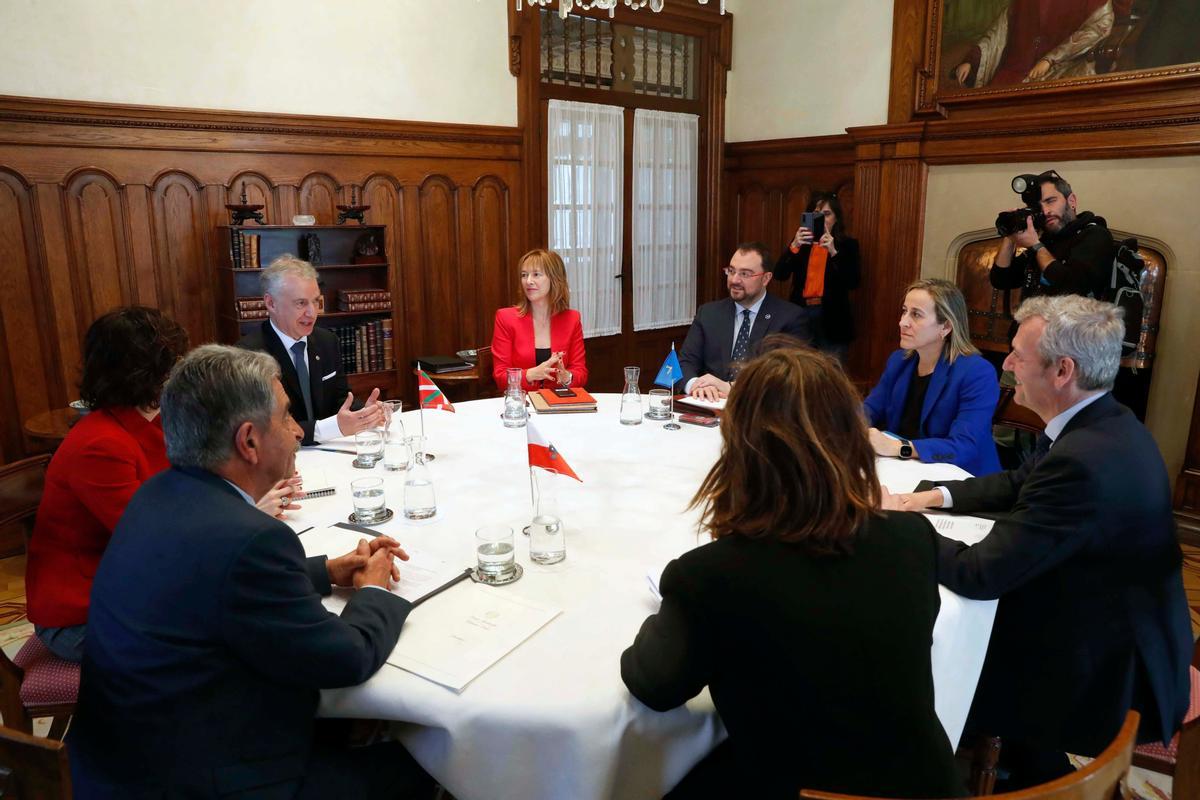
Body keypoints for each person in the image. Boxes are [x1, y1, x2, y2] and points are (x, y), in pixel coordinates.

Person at [69, 345, 431, 798]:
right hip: (202, 781)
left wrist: (325, 570)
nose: (299, 431)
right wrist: (377, 591)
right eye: (285, 417)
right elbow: (346, 658)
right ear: (249, 441)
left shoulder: (159, 493)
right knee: (424, 764)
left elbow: (212, 580)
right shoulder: (251, 539)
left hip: (118, 764)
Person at [621, 340, 964, 800]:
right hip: (926, 787)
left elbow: (652, 684)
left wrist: (669, 608)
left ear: (740, 447)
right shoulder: (911, 538)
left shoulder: (709, 577)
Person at [884, 296, 1191, 788]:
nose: (1005, 364)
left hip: (1109, 672)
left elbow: (981, 574)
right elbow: (1017, 482)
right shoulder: (1103, 421)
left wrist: (890, 529)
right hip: (1117, 627)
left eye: (1018, 355)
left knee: (927, 647)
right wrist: (923, 499)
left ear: (1062, 370)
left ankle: (988, 771)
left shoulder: (1083, 460)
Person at [24, 307, 189, 663]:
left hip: (123, 587)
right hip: (79, 617)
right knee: (213, 645)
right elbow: (155, 539)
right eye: (174, 362)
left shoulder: (148, 421)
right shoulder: (101, 445)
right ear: (150, 372)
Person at [238, 255, 384, 445]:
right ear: (271, 303)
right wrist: (330, 429)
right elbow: (265, 429)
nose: (312, 313)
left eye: (315, 301)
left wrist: (365, 413)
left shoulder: (327, 341)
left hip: (328, 454)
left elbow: (339, 400)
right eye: (301, 303)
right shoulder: (247, 355)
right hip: (282, 461)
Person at [863, 278, 1002, 476]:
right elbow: (870, 409)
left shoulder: (977, 372)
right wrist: (847, 425)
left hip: (961, 478)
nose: (902, 322)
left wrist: (898, 447)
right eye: (904, 311)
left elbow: (964, 446)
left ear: (945, 327)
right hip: (906, 469)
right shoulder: (899, 361)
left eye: (916, 315)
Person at [677, 242, 808, 401]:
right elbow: (685, 363)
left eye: (745, 274)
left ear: (766, 278)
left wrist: (732, 388)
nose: (735, 280)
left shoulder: (790, 318)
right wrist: (696, 385)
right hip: (709, 406)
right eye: (731, 271)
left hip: (759, 412)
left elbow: (789, 377)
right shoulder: (709, 313)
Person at [990, 170, 1114, 312]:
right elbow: (1000, 280)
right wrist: (1010, 234)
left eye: (1050, 201)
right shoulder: (1046, 240)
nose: (1045, 211)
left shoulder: (1094, 235)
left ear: (1071, 201)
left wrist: (1036, 246)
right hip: (1030, 328)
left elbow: (1073, 289)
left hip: (1071, 331)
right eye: (1039, 206)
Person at [772, 192, 861, 360]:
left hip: (832, 317)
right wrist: (794, 246)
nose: (821, 219)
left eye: (826, 214)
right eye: (815, 214)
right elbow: (779, 274)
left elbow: (853, 282)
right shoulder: (801, 243)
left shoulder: (847, 245)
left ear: (836, 218)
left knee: (831, 371)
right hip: (801, 312)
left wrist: (834, 252)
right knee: (799, 368)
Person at [954, 0, 1114, 88]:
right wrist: (972, 60)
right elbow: (999, 31)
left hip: (1059, 72)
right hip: (1013, 72)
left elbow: (1099, 26)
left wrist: (1050, 59)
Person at [491, 248, 588, 392]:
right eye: (524, 275)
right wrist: (531, 374)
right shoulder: (505, 318)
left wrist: (567, 377)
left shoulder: (572, 319)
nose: (528, 281)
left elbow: (581, 372)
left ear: (554, 279)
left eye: (536, 274)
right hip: (521, 404)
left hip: (558, 404)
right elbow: (500, 377)